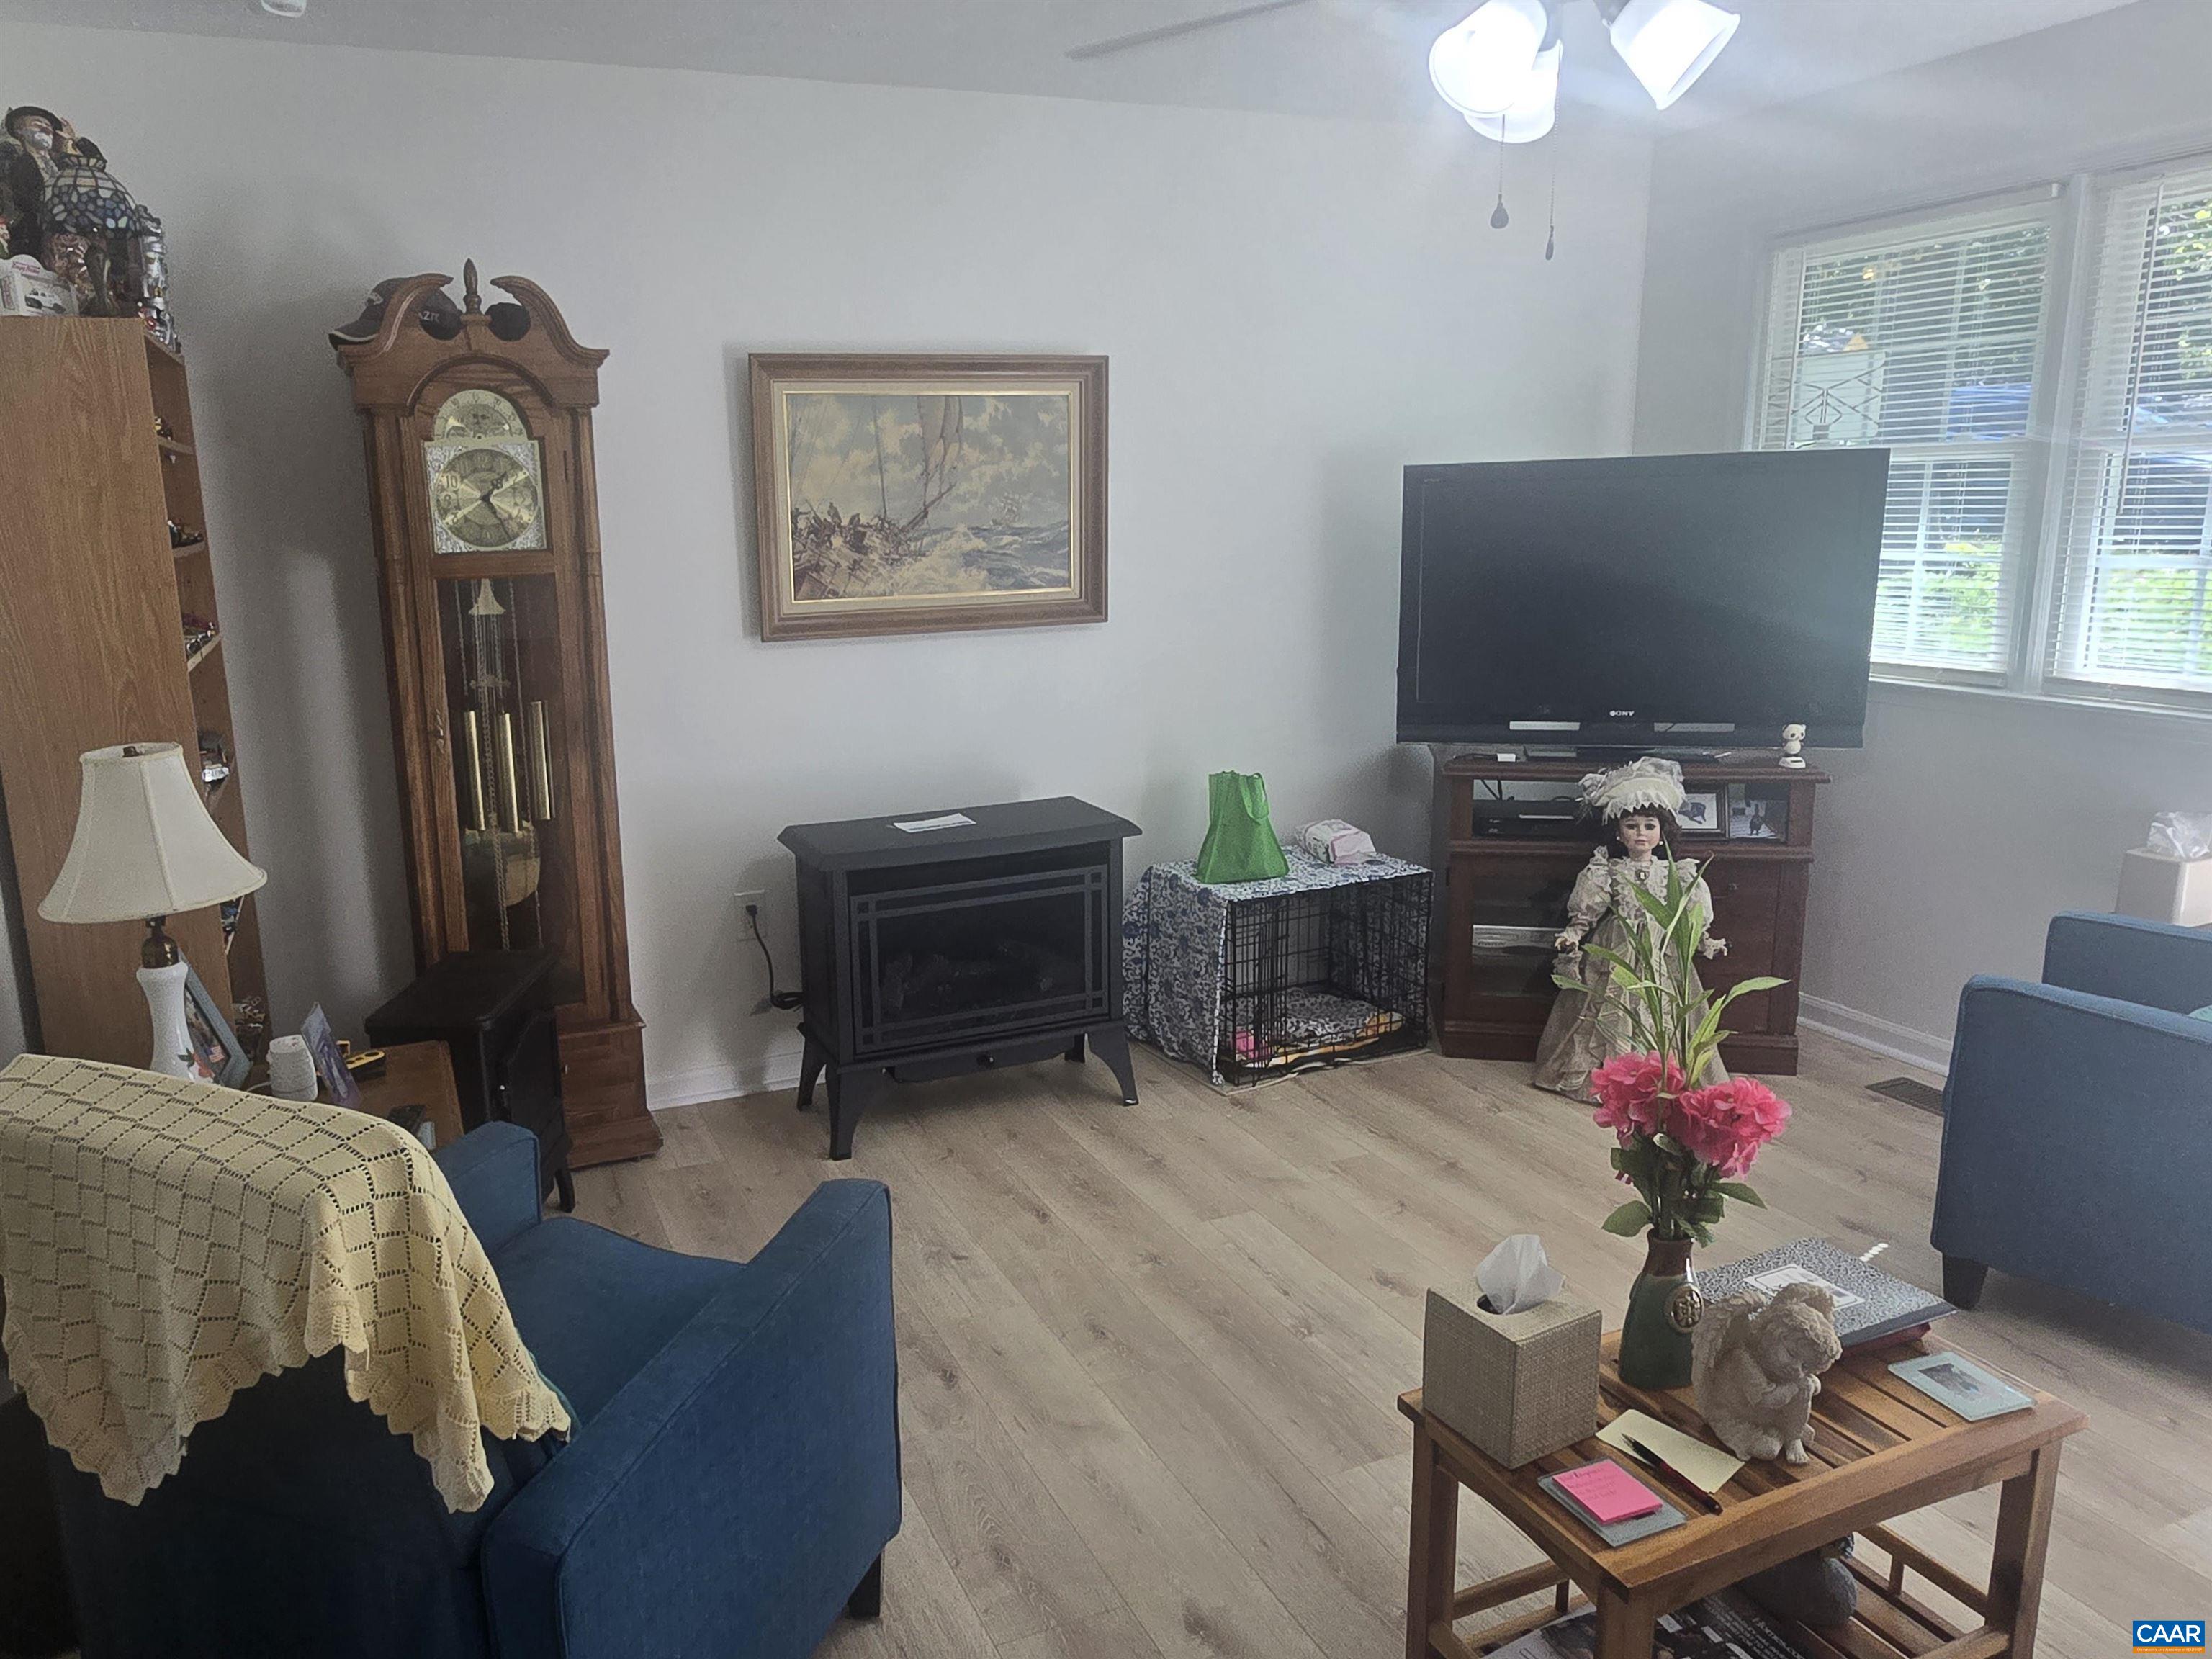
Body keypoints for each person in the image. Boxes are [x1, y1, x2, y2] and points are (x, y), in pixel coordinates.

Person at [1532, 756, 1727, 1102]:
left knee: (1662, 1010)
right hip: (1617, 947)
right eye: (1632, 826)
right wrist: (1573, 934)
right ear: (1618, 833)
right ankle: (1613, 1077)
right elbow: (1588, 911)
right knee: (1608, 1003)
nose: (1641, 833)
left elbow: (1688, 916)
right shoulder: (1607, 870)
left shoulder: (1677, 872)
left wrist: (1704, 940)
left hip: (1660, 949)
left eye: (1649, 826)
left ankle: (1658, 1077)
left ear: (1662, 833)